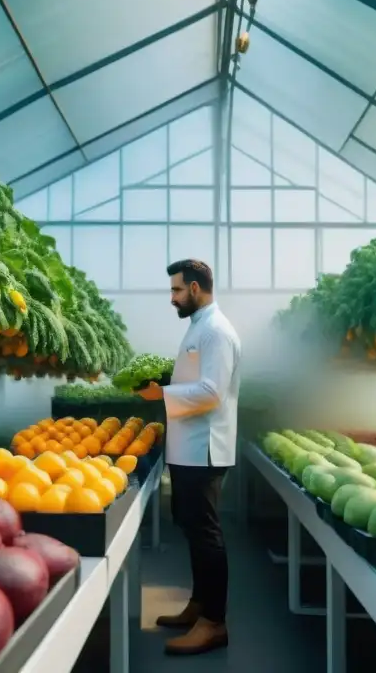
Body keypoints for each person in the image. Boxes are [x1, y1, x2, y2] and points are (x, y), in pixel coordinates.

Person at [137, 258, 241, 656]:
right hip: (189, 447)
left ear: (195, 289)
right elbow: (194, 382)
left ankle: (214, 624)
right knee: (193, 529)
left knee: (206, 534)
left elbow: (212, 392)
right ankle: (199, 606)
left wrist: (160, 395)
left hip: (205, 448)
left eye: (177, 290)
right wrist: (166, 384)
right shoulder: (200, 327)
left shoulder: (215, 331)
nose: (173, 298)